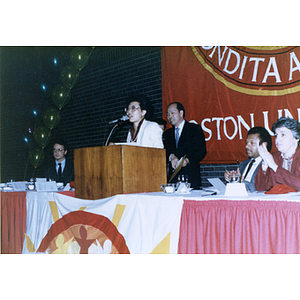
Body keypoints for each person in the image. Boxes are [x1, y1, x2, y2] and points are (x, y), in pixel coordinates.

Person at [163, 102, 207, 189]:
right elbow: (165, 152)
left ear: (181, 113)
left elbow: (201, 151)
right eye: (168, 114)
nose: (170, 117)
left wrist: (187, 160)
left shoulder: (194, 129)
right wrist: (171, 157)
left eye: (172, 113)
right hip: (173, 180)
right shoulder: (167, 134)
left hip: (191, 177)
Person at [255, 117, 300, 192]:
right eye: (276, 135)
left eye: (283, 135)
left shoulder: (272, 161)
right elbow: (260, 188)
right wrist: (265, 165)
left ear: (296, 137)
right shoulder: (273, 157)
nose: (277, 140)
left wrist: (274, 167)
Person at [224, 126, 272, 192]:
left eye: (252, 143)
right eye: (247, 142)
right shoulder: (243, 164)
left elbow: (262, 188)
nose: (246, 146)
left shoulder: (269, 164)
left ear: (264, 145)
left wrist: (240, 183)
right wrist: (233, 179)